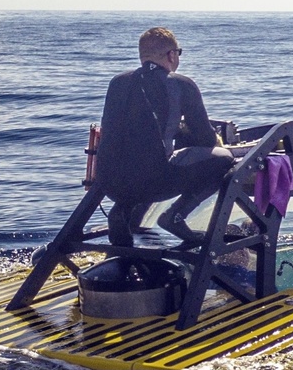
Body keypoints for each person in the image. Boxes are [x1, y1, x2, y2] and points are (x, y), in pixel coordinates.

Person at [94, 27, 234, 246]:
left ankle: (121, 213)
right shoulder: (181, 84)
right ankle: (175, 217)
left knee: (141, 159)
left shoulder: (117, 83)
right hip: (153, 183)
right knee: (224, 159)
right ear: (172, 55)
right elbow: (205, 139)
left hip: (108, 182)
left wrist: (176, 130)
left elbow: (133, 131)